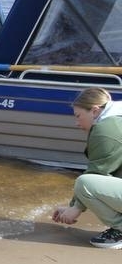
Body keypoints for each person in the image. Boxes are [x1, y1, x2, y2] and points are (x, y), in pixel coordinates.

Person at [51, 86, 122, 248]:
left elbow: (97, 173)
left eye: (79, 116)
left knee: (84, 182)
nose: (77, 123)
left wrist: (75, 209)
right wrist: (72, 206)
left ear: (95, 111)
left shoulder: (106, 129)